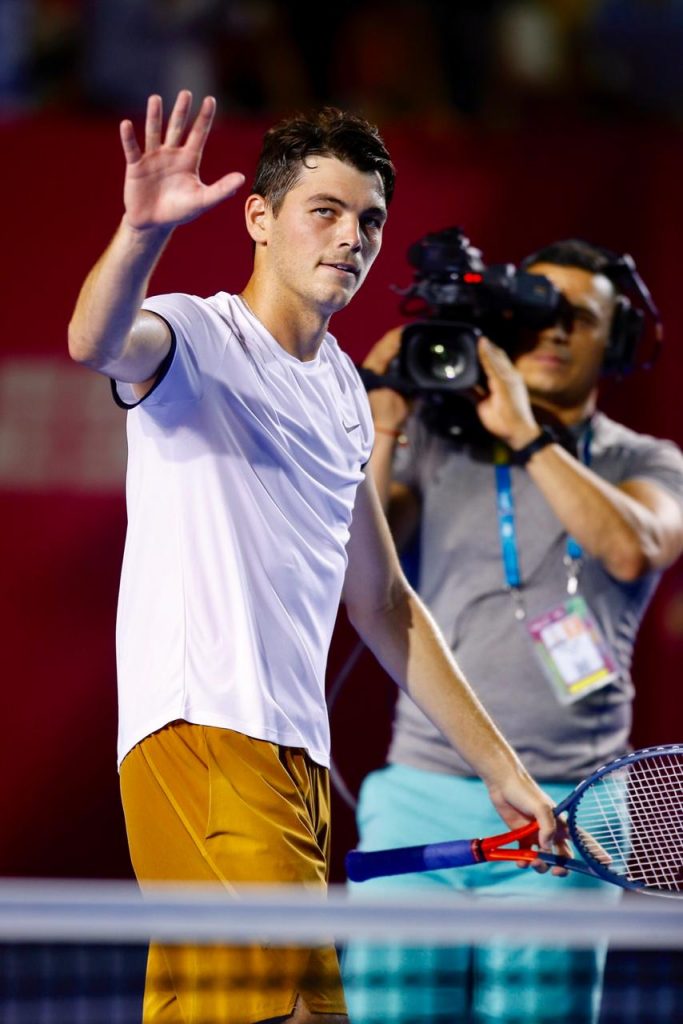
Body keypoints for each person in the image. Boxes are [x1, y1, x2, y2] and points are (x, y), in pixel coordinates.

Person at [67, 91, 568, 1024]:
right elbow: (94, 341)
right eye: (325, 211)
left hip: (293, 759)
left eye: (369, 220)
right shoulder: (196, 336)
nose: (351, 238)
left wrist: (502, 771)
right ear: (260, 218)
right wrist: (141, 232)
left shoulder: (341, 387)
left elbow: (384, 604)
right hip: (204, 730)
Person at [343, 237, 683, 1024]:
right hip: (420, 791)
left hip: (571, 811)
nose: (554, 330)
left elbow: (632, 547)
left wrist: (526, 434)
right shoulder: (437, 442)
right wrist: (380, 426)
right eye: (536, 310)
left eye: (580, 318)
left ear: (616, 338)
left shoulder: (646, 459)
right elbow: (352, 563)